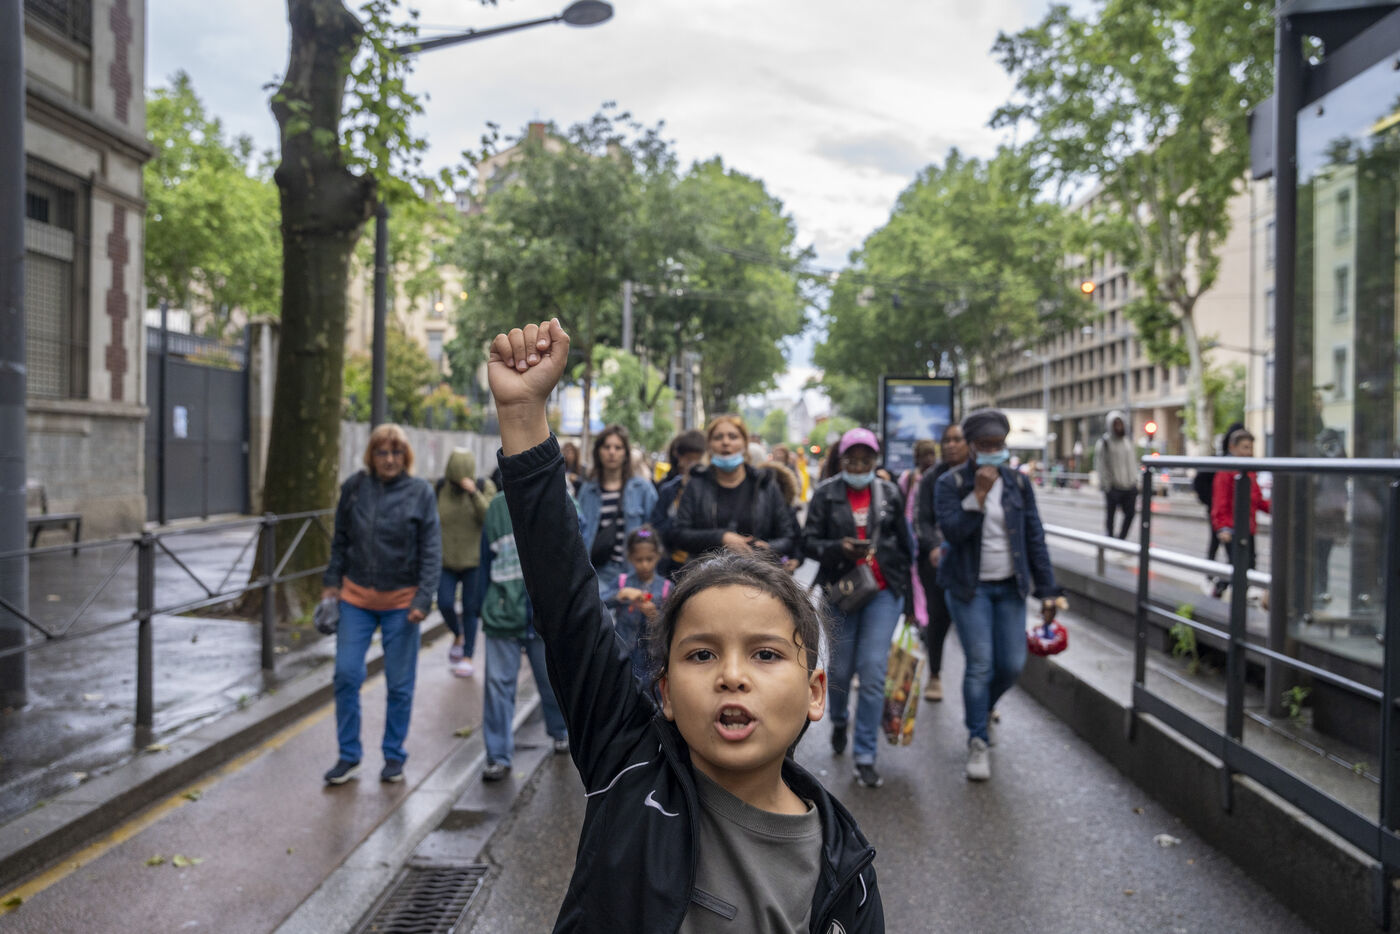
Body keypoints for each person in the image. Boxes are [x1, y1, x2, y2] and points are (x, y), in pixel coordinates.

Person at [487, 318, 884, 932]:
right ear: (665, 692)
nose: (732, 676)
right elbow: (567, 603)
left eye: (766, 654)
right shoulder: (626, 762)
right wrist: (522, 417)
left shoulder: (848, 872)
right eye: (701, 654)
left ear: (815, 691)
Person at [935, 409, 1060, 783]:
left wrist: (1048, 590)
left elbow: (1034, 536)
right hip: (968, 587)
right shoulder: (951, 483)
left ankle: (983, 708)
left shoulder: (1019, 483)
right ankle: (977, 739)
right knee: (980, 664)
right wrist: (977, 496)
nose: (993, 451)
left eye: (998, 444)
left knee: (1011, 664)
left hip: (1010, 587)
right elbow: (952, 532)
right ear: (972, 447)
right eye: (985, 445)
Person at [321, 424, 441, 785]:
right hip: (355, 598)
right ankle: (349, 755)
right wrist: (331, 585)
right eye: (382, 452)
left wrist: (423, 598)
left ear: (406, 456)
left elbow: (432, 550)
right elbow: (340, 541)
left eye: (396, 452)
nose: (389, 459)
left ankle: (393, 755)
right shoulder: (354, 488)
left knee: (399, 685)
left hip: (402, 604)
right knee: (346, 675)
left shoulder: (420, 493)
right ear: (371, 456)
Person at [803, 427, 914, 789]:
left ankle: (865, 755)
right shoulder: (826, 493)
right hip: (842, 591)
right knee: (840, 669)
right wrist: (840, 547)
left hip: (883, 591)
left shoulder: (890, 492)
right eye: (852, 460)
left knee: (872, 671)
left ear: (875, 461)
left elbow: (906, 545)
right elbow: (808, 543)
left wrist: (912, 599)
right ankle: (839, 720)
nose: (859, 466)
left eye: (866, 460)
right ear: (842, 460)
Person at [479, 487, 570, 781]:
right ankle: (497, 755)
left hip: (544, 613)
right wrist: (480, 606)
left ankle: (560, 731)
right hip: (502, 611)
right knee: (497, 685)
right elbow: (484, 560)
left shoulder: (558, 496)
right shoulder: (496, 507)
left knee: (551, 681)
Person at [667, 415, 800, 568]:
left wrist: (766, 548)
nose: (726, 442)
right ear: (709, 446)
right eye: (718, 437)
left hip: (758, 574)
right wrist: (721, 538)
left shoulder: (764, 484)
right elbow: (679, 534)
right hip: (707, 574)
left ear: (745, 444)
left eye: (733, 436)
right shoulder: (696, 484)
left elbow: (788, 537)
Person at [913, 425, 969, 703]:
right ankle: (934, 674)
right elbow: (921, 519)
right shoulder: (931, 478)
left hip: (972, 563)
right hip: (936, 564)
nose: (950, 445)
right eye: (946, 440)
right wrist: (934, 547)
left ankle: (982, 695)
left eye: (957, 440)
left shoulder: (981, 476)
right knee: (938, 619)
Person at [576, 424, 659, 599]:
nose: (612, 452)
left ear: (625, 453)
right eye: (607, 447)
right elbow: (579, 532)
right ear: (598, 452)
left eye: (618, 447)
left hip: (634, 572)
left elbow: (654, 530)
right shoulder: (588, 491)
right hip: (597, 572)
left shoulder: (642, 489)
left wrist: (644, 540)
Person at [435, 448, 493, 677]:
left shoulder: (484, 486)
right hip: (445, 560)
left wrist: (474, 493)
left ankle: (467, 656)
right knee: (444, 603)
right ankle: (457, 634)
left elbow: (490, 517)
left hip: (473, 561)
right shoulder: (440, 488)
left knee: (470, 609)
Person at [604, 526, 670, 684]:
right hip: (623, 650)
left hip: (652, 656)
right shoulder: (622, 582)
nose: (645, 565)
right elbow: (598, 603)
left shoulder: (666, 587)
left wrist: (655, 616)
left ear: (658, 555)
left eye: (649, 559)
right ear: (630, 558)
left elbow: (672, 624)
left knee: (649, 691)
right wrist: (620, 594)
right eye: (639, 560)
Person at [1211, 427, 1270, 600]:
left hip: (1247, 527)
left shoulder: (1249, 471)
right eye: (1245, 447)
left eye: (1250, 448)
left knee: (1247, 563)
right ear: (1233, 447)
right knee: (1238, 564)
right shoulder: (1226, 471)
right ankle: (1223, 592)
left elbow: (1257, 499)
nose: (1249, 452)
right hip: (1232, 528)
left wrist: (1275, 508)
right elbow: (1220, 501)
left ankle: (1231, 595)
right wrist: (1222, 527)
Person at [650, 429, 707, 580]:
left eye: (697, 459)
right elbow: (657, 528)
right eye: (688, 459)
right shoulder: (669, 490)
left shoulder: (712, 490)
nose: (693, 465)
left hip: (704, 566)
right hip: (672, 567)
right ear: (679, 459)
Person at [1194, 421, 1244, 591]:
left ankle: (1213, 580)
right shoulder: (1223, 464)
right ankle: (1219, 584)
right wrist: (1211, 500)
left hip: (1226, 512)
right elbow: (1201, 483)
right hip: (1222, 513)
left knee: (1219, 545)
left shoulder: (1228, 463)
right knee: (1230, 551)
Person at [1313, 428, 1348, 605]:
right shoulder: (1326, 463)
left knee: (1320, 561)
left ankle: (1319, 594)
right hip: (1323, 518)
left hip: (1325, 518)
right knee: (1319, 561)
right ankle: (1318, 593)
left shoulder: (1336, 464)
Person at [1094, 409, 1138, 539]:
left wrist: (1135, 481)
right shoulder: (1104, 443)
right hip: (1113, 486)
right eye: (1115, 424)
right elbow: (1100, 465)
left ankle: (1121, 539)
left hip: (1129, 485)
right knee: (1110, 515)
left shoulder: (1127, 442)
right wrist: (1107, 485)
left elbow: (1133, 463)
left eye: (1120, 423)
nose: (1119, 426)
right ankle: (1110, 538)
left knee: (1130, 513)